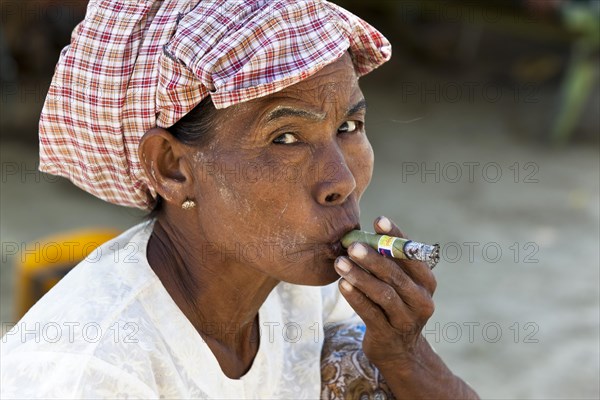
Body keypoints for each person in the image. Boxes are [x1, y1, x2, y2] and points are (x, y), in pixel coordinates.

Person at [1, 0, 479, 398]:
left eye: (348, 128)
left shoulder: (301, 290)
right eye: (286, 138)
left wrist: (408, 357)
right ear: (173, 168)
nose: (341, 181)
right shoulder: (92, 374)